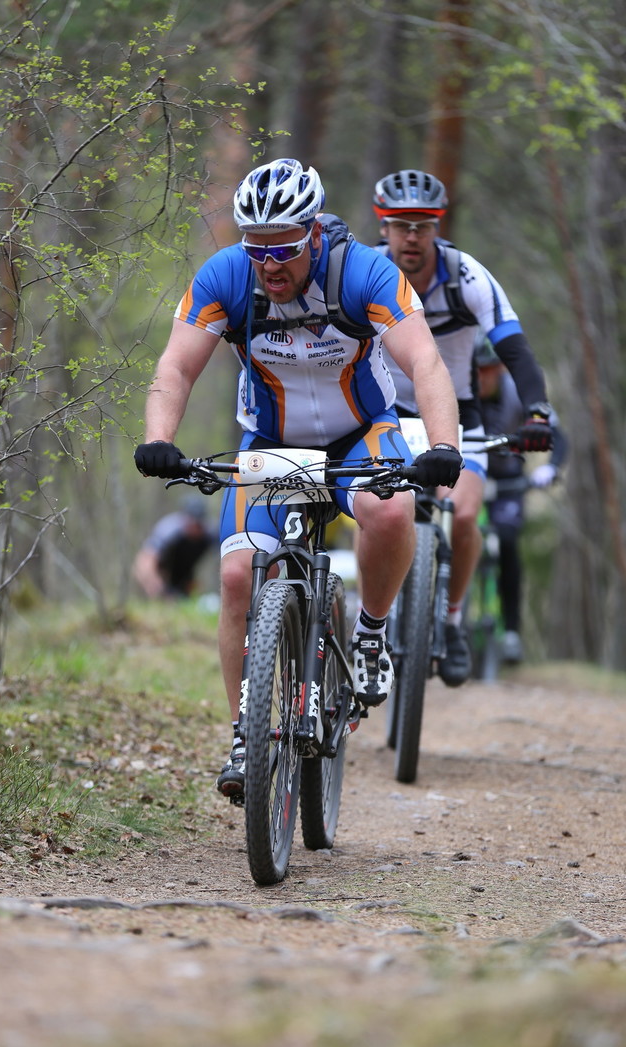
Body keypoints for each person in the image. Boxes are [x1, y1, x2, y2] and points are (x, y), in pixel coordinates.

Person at [134, 157, 463, 802]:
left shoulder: (365, 273)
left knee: (391, 514)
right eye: (256, 248)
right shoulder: (226, 277)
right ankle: (245, 733)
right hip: (270, 443)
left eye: (283, 248)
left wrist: (444, 444)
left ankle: (369, 634)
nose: (269, 264)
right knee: (234, 577)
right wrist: (158, 440)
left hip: (358, 434)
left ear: (314, 233)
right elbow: (175, 366)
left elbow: (424, 362)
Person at [372, 169, 553, 685]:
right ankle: (370, 623)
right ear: (382, 226)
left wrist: (537, 412)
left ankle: (451, 622)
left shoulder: (468, 275)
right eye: (401, 224)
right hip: (382, 412)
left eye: (423, 226)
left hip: (455, 413)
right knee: (381, 514)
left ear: (438, 227)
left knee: (467, 512)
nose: (412, 236)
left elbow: (515, 349)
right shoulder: (364, 271)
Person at [475, 336, 569, 663]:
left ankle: (512, 630)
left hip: (508, 482)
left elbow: (558, 437)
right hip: (467, 477)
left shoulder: (518, 393)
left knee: (508, 542)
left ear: (499, 368)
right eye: (476, 370)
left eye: (487, 370)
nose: (480, 378)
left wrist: (551, 470)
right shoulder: (459, 391)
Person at [133, 496, 214, 600]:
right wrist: (155, 586)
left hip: (184, 576)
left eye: (198, 525)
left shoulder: (209, 533)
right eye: (191, 523)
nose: (195, 529)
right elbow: (145, 560)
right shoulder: (169, 530)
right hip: (161, 573)